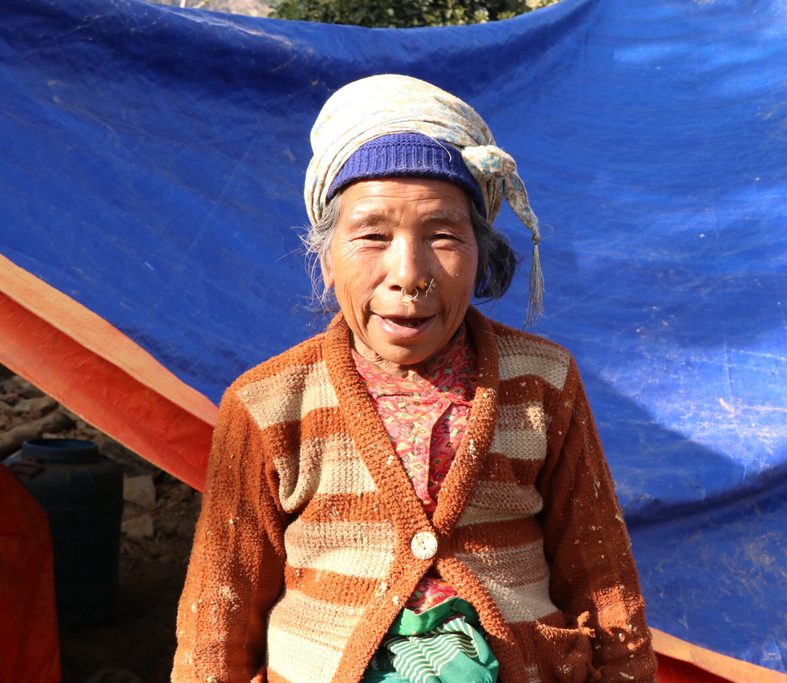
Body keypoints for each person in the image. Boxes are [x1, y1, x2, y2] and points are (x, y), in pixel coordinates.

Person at [172, 74, 656, 683]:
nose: (409, 273)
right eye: (372, 236)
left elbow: (602, 575)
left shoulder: (544, 382)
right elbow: (219, 610)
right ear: (325, 258)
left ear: (480, 253)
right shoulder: (268, 403)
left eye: (443, 236)